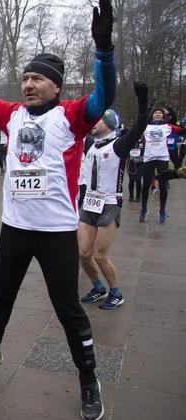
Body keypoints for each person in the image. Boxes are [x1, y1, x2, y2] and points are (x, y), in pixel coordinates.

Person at [0, 0, 115, 420]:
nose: (29, 84)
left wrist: (103, 49)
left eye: (38, 78)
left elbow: (104, 94)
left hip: (55, 234)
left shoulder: (72, 117)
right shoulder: (12, 115)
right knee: (0, 297)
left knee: (67, 308)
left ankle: (88, 379)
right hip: (14, 229)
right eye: (26, 77)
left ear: (56, 86)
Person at [79, 82, 148, 310]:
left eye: (99, 119)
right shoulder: (90, 143)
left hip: (109, 204)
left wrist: (142, 100)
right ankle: (98, 287)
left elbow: (140, 126)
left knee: (100, 255)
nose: (93, 122)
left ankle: (116, 292)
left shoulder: (119, 145)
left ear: (109, 124)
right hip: (89, 202)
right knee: (83, 253)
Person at [139, 108, 186, 223]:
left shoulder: (167, 127)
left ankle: (162, 211)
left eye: (160, 113)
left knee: (163, 186)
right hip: (148, 158)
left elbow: (182, 131)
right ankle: (144, 209)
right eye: (156, 112)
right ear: (152, 115)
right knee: (145, 186)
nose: (158, 114)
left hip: (162, 158)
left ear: (163, 116)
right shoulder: (145, 126)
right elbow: (134, 130)